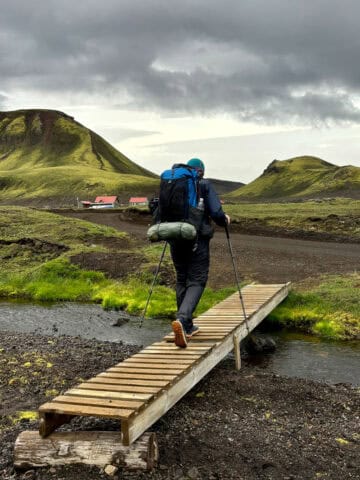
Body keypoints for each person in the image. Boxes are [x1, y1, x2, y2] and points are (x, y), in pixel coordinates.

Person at [171, 158, 230, 348]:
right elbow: (216, 212)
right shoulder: (203, 184)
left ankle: (186, 326)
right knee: (197, 280)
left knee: (182, 279)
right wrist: (225, 219)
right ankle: (182, 319)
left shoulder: (174, 183)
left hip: (175, 238)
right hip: (196, 241)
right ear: (201, 171)